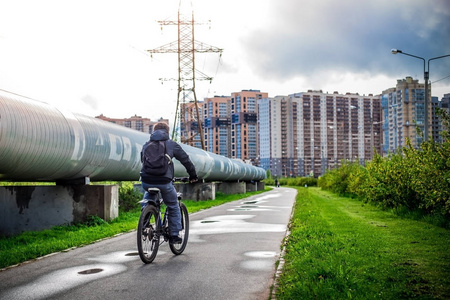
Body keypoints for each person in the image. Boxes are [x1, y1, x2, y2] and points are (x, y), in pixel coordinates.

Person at [140, 122, 198, 244]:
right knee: (173, 205)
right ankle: (174, 235)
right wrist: (193, 175)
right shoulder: (171, 144)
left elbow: (143, 161)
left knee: (148, 198)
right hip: (164, 181)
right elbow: (186, 160)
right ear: (167, 131)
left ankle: (145, 221)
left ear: (154, 131)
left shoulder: (146, 144)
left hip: (146, 181)